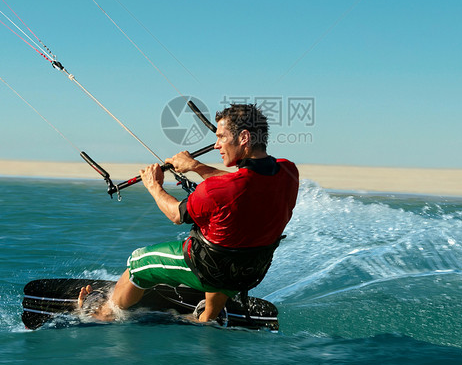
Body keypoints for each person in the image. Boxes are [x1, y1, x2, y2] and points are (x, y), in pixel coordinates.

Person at [78, 103, 299, 323]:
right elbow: (244, 183)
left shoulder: (217, 190)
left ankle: (104, 314)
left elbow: (176, 214)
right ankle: (208, 316)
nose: (216, 145)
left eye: (221, 137)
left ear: (243, 138)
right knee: (229, 238)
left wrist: (153, 185)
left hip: (208, 269)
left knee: (139, 261)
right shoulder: (288, 171)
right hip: (250, 272)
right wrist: (195, 166)